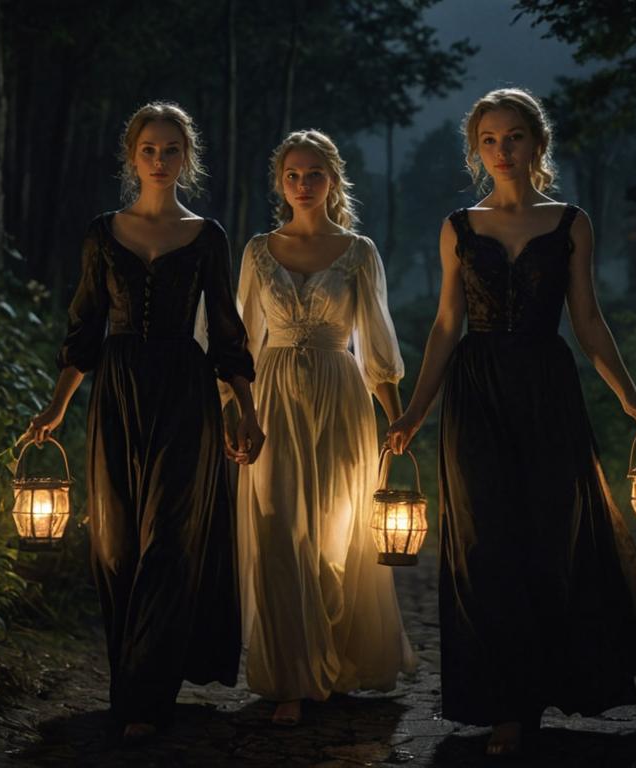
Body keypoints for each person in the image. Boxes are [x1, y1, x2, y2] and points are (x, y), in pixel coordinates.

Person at [385, 88, 636, 757]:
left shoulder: (571, 222)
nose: (502, 150)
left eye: (514, 136)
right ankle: (505, 706)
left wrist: (630, 395)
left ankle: (549, 688)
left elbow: (588, 322)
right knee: (487, 545)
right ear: (476, 149)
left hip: (547, 389)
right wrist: (413, 410)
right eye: (489, 139)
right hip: (476, 393)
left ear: (537, 144)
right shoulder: (458, 225)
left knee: (551, 541)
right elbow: (443, 326)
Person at [21, 102, 263, 744]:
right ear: (133, 157)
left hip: (186, 396)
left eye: (172, 150)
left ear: (187, 158)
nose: (160, 160)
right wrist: (56, 405)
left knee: (170, 543)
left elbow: (231, 335)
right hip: (119, 394)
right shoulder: (103, 233)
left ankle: (141, 700)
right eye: (150, 149)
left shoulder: (208, 236)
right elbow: (84, 328)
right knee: (117, 545)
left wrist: (247, 408)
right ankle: (133, 684)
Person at [233, 129, 415, 727]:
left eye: (314, 174)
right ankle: (291, 676)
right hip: (274, 396)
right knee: (280, 533)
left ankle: (332, 667)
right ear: (279, 183)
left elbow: (377, 340)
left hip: (341, 397)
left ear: (333, 180)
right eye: (292, 175)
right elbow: (239, 339)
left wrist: (398, 415)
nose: (303, 185)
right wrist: (239, 410)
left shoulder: (359, 251)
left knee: (337, 540)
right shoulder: (259, 250)